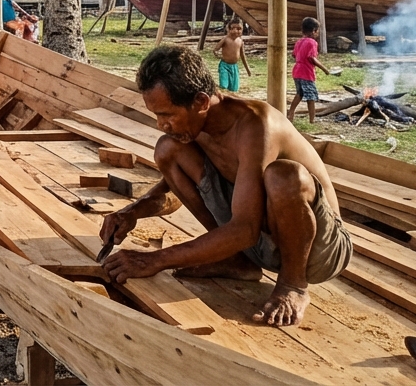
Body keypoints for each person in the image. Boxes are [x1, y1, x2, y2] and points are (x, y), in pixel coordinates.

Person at [100, 45, 352, 327]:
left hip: (319, 251)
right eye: (157, 116)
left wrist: (155, 260)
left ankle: (293, 285)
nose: (162, 124)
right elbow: (173, 193)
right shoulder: (195, 128)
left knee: (283, 176)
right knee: (167, 149)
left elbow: (245, 230)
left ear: (201, 102)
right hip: (261, 241)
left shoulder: (256, 125)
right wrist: (133, 212)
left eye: (168, 115)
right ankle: (237, 261)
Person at [287, 18, 326, 123]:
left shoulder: (299, 42)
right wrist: (324, 69)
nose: (317, 33)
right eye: (317, 31)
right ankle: (312, 120)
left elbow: (294, 55)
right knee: (311, 97)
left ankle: (290, 114)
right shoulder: (312, 42)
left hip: (297, 71)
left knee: (299, 94)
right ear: (314, 30)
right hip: (306, 73)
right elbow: (312, 58)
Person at [214, 19, 250, 92]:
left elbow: (243, 56)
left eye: (239, 29)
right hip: (224, 66)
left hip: (234, 67)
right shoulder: (225, 39)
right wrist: (217, 54)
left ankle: (230, 101)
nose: (236, 31)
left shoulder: (240, 41)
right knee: (224, 86)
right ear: (229, 29)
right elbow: (215, 49)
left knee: (234, 89)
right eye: (233, 28)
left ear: (242, 29)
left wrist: (248, 69)